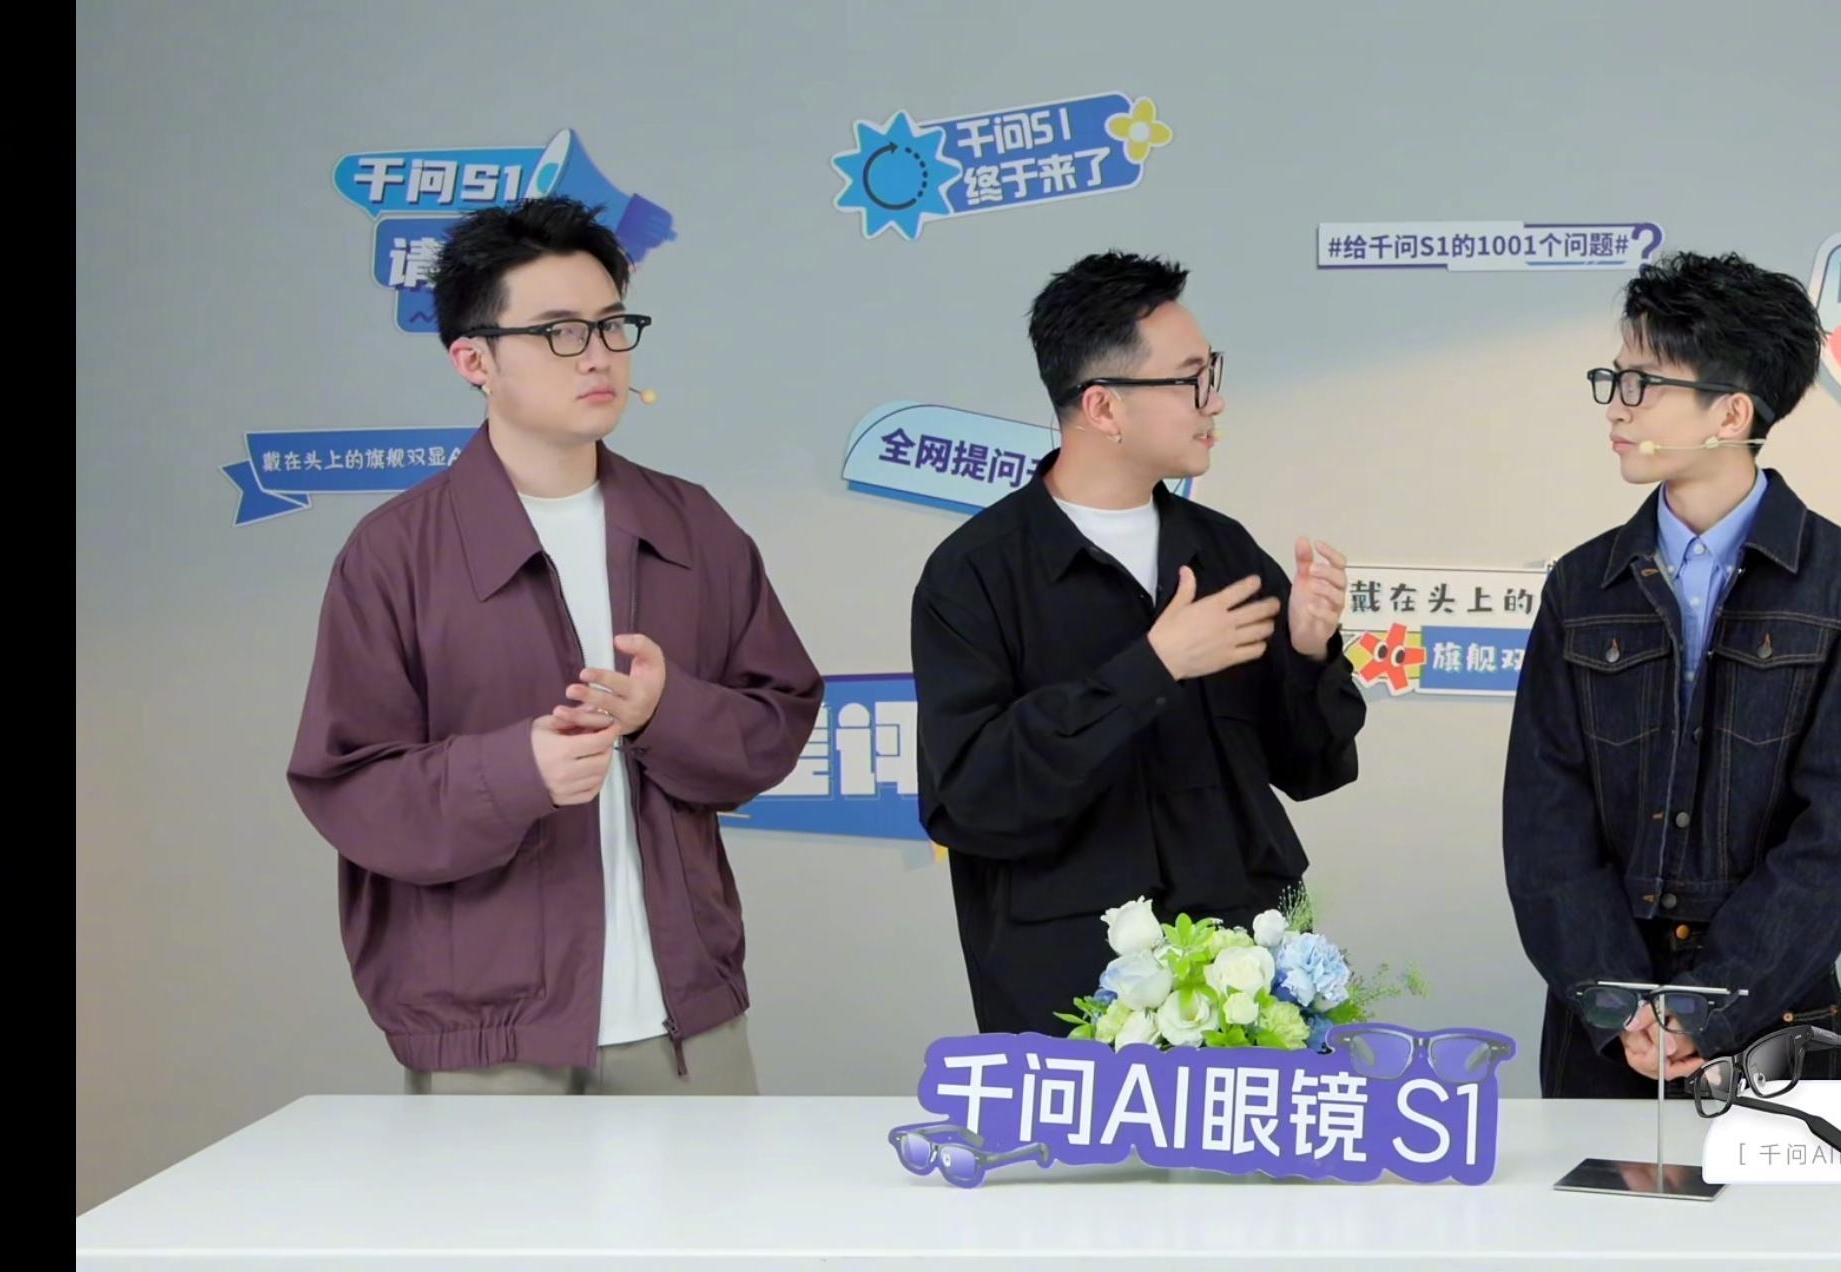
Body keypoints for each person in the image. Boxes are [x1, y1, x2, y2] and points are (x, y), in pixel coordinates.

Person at [286, 195, 823, 1093]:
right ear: (474, 360)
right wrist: (515, 772)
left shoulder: (694, 527)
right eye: (559, 333)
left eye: (613, 325)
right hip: (489, 1034)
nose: (599, 355)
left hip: (687, 1018)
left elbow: (778, 720)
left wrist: (665, 713)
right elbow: (349, 786)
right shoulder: (396, 554)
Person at [910, 251, 1367, 1037]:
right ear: (1103, 406)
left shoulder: (1224, 552)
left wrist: (1307, 652)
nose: (1214, 401)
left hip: (1248, 985)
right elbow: (971, 800)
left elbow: (1314, 767)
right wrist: (1151, 670)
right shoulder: (975, 574)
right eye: (1190, 380)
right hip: (1070, 998)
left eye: (1212, 372)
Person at [1502, 250, 1841, 1098]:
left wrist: (1708, 1005)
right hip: (1605, 1032)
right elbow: (1544, 819)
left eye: (1643, 383)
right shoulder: (1582, 585)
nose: (1617, 405)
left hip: (1772, 1014)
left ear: (1730, 413)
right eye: (1614, 378)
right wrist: (1620, 1004)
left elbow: (1837, 833)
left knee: (1775, 1197)